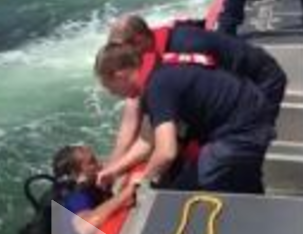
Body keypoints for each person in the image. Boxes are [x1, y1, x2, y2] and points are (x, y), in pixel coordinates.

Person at [95, 22, 286, 194]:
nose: (113, 94)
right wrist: (114, 170)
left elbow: (166, 152)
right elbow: (146, 142)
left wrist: (142, 184)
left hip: (244, 124)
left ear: (120, 75)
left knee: (207, 176)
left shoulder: (157, 88)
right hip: (244, 111)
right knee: (236, 173)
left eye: (110, 87)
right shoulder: (157, 77)